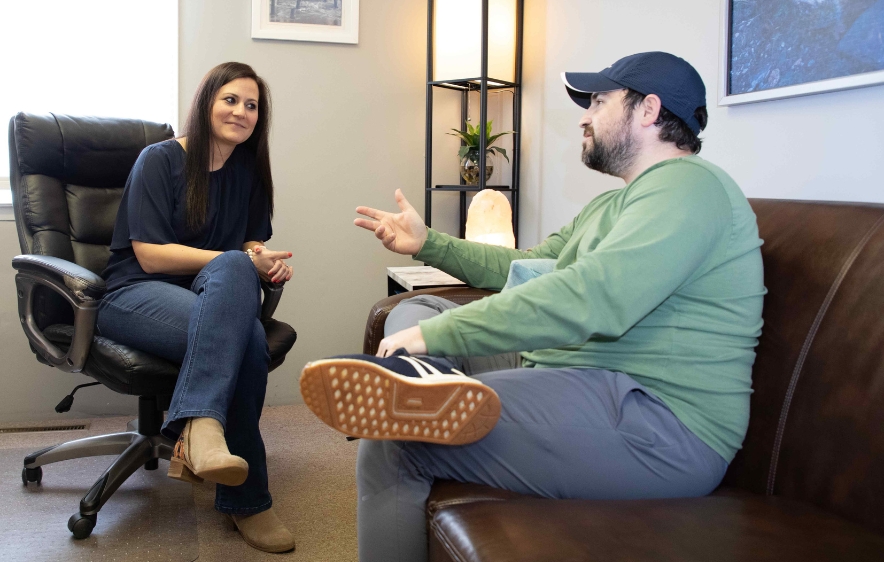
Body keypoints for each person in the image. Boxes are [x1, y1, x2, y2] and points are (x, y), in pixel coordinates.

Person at [300, 51, 765, 562]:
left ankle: (424, 385)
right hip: (579, 376)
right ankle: (427, 381)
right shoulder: (613, 204)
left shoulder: (689, 185)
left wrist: (439, 337)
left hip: (658, 425)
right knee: (416, 310)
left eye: (599, 102)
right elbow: (526, 266)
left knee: (397, 436)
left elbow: (593, 295)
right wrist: (429, 243)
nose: (585, 117)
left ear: (649, 110)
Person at [99, 62, 296, 553]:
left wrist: (260, 256)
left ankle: (202, 428)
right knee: (248, 337)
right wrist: (238, 260)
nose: (241, 112)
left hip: (209, 295)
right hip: (135, 294)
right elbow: (149, 254)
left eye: (251, 105)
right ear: (206, 102)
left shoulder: (248, 171)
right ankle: (247, 499)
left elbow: (249, 240)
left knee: (237, 280)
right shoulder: (159, 159)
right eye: (230, 99)